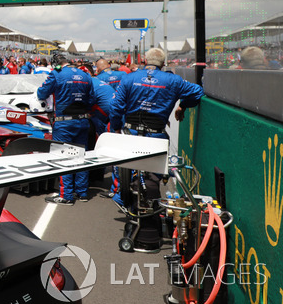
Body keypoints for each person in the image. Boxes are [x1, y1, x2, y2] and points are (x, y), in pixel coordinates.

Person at [110, 47, 204, 251]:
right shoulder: (173, 80)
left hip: (131, 134)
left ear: (145, 60)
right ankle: (150, 220)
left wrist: (116, 126)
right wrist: (182, 106)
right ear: (164, 62)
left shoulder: (129, 78)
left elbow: (116, 107)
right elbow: (197, 92)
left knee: (129, 176)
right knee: (151, 179)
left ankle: (137, 218)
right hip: (156, 135)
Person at [38, 53, 94, 205]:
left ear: (56, 63)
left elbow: (41, 93)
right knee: (80, 157)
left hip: (64, 123)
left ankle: (66, 195)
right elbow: (91, 99)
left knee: (63, 158)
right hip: (83, 121)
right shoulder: (85, 75)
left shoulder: (56, 73)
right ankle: (82, 193)